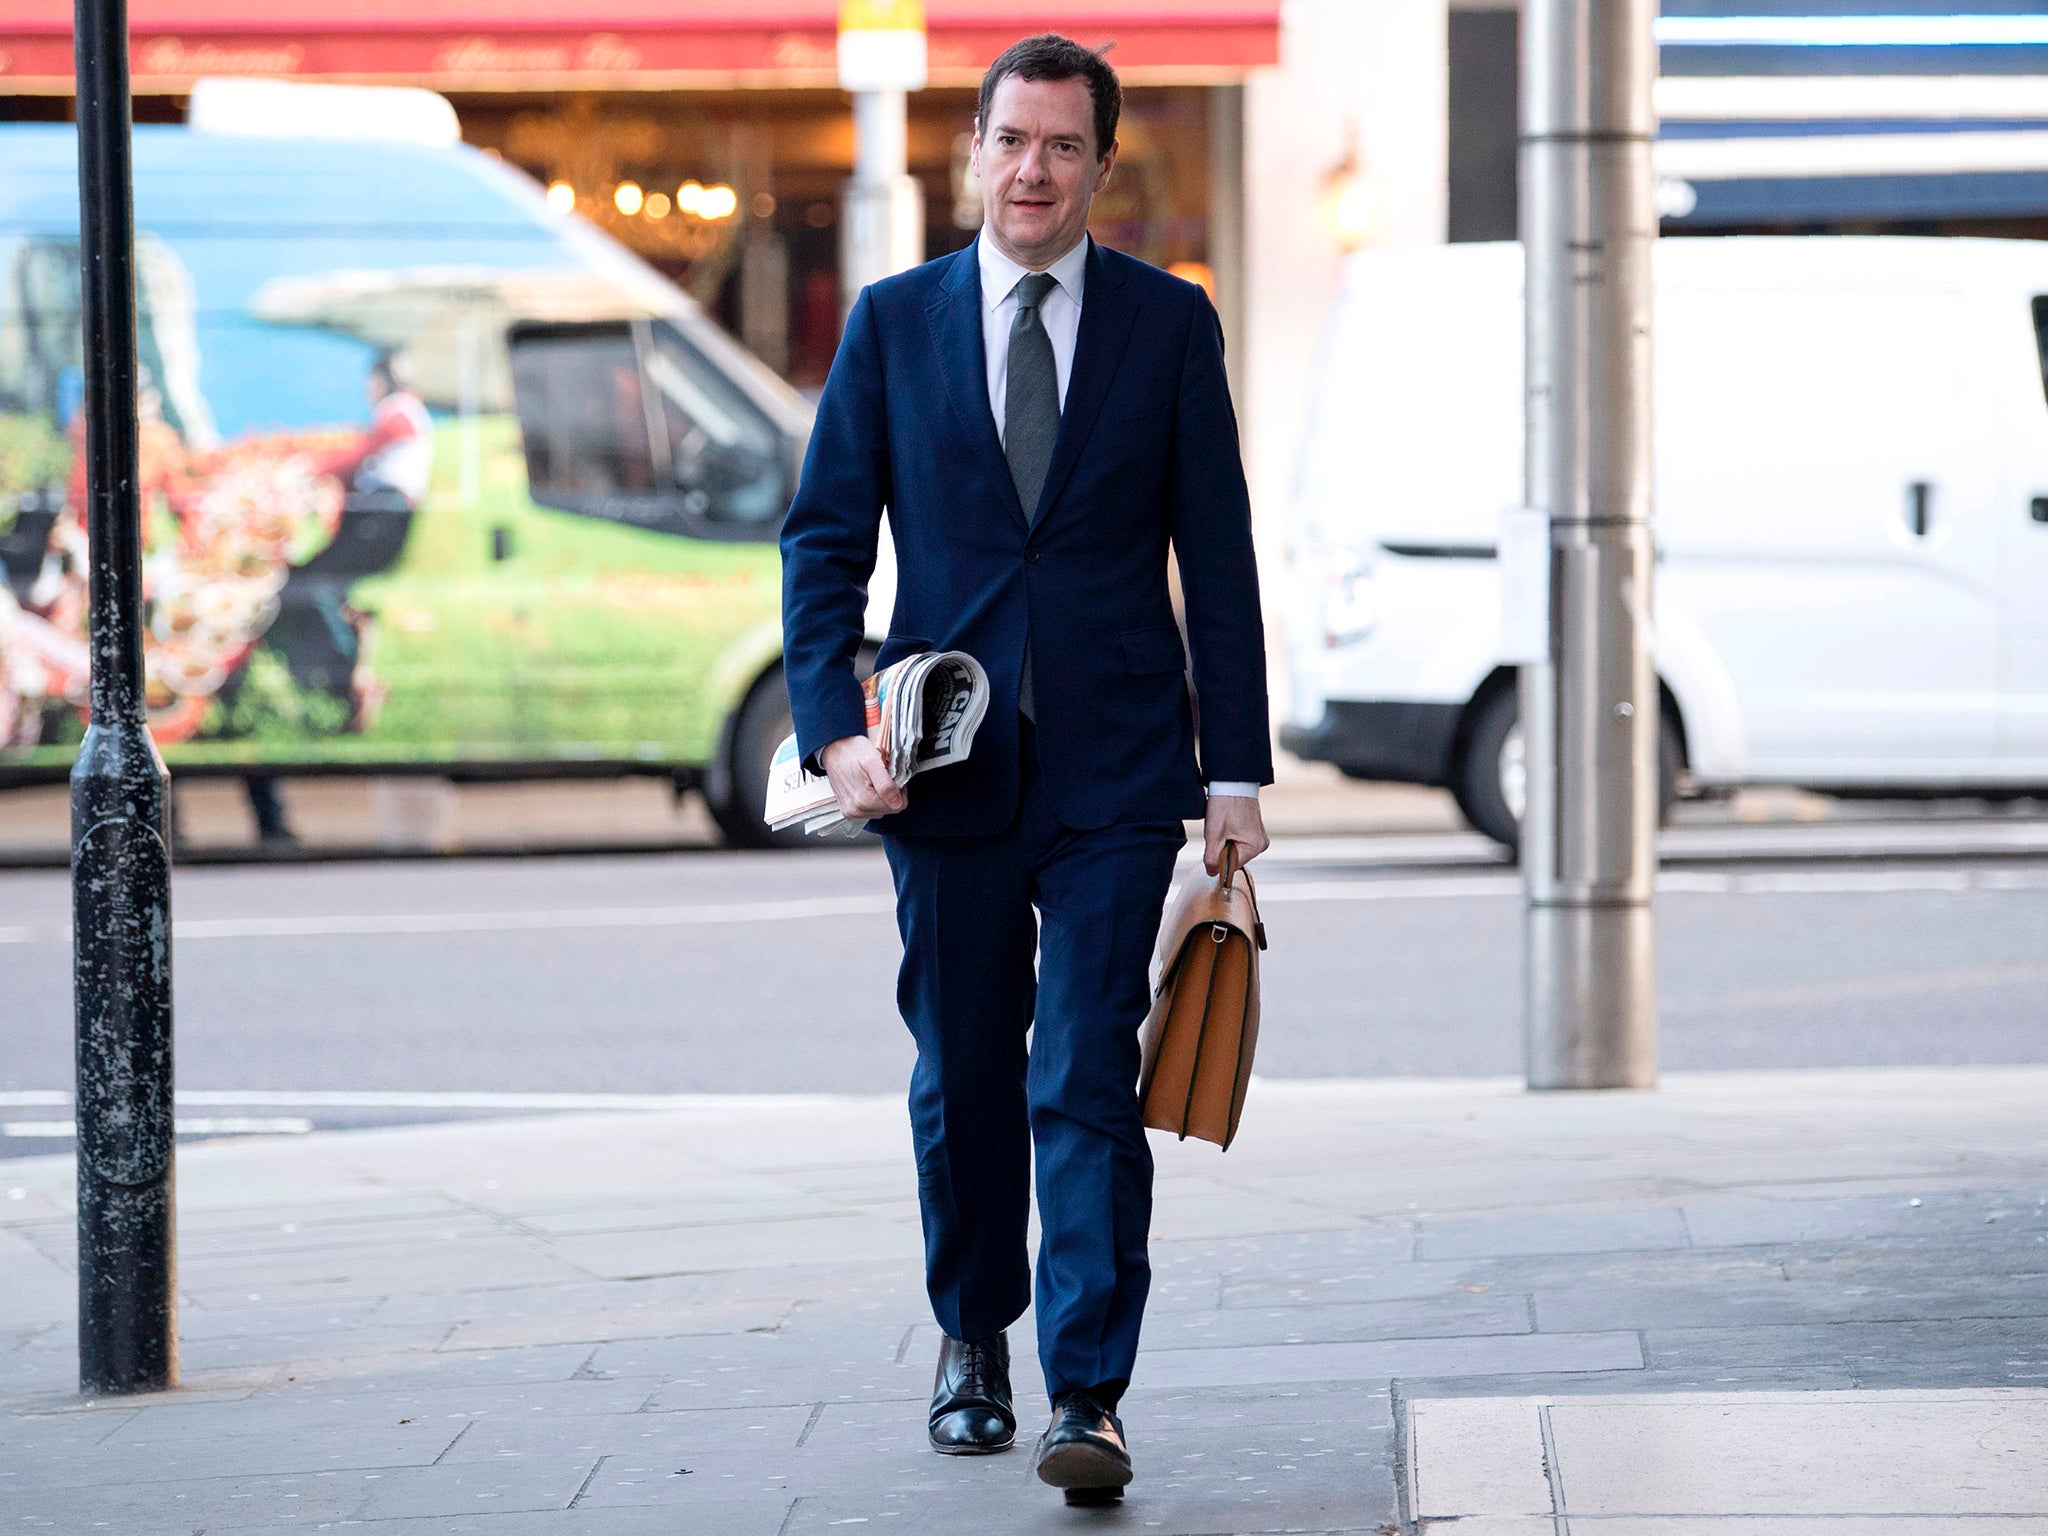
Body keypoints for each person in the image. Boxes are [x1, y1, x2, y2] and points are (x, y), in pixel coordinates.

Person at [779, 33, 1271, 1506]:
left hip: (1120, 768)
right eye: (1010, 142)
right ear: (972, 154)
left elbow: (1219, 560)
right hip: (945, 773)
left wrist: (1233, 766)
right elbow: (821, 540)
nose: (1032, 171)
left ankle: (1091, 1392)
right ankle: (971, 1341)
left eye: (1062, 147)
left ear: (1101, 167)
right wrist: (835, 729)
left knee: (1084, 1078)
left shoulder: (1167, 328)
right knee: (963, 1075)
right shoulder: (892, 323)